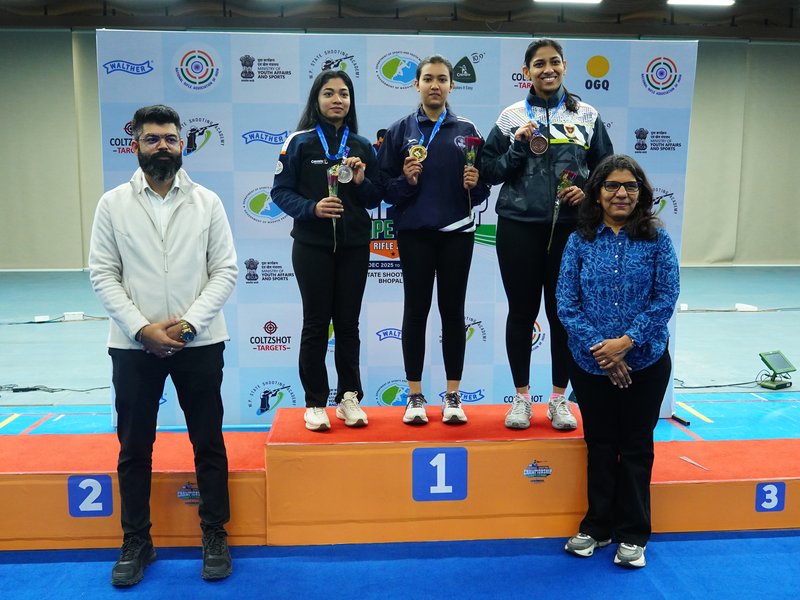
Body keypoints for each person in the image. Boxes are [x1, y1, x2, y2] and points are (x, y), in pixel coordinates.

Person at [88, 105, 238, 586]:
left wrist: (189, 327)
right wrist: (142, 330)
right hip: (134, 346)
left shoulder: (207, 202)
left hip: (201, 342)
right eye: (152, 139)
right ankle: (137, 540)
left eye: (170, 139)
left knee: (208, 441)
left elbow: (225, 271)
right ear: (136, 145)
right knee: (134, 447)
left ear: (182, 145)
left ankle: (214, 533)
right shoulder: (112, 204)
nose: (162, 146)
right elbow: (102, 274)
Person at [480, 38, 613, 431]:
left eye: (554, 62)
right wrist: (517, 148)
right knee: (522, 313)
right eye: (539, 64)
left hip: (571, 229)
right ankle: (521, 399)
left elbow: (608, 170)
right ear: (527, 72)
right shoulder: (511, 116)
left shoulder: (587, 114)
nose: (548, 69)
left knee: (562, 315)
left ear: (565, 66)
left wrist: (587, 191)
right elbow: (488, 171)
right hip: (518, 227)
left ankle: (558, 400)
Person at [557, 154, 680, 568]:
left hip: (646, 362)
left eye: (630, 186)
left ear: (641, 193)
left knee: (636, 447)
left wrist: (626, 343)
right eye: (612, 185)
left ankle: (633, 533)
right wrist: (603, 350)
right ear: (597, 193)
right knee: (600, 445)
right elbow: (566, 303)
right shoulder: (579, 240)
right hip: (591, 364)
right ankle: (597, 527)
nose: (621, 193)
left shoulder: (657, 240)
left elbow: (666, 297)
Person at [378, 54, 490, 425]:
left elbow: (483, 189)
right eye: (428, 78)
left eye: (442, 79)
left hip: (457, 233)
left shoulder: (468, 130)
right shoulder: (400, 131)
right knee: (416, 311)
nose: (435, 85)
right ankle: (414, 396)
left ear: (451, 85)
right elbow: (385, 189)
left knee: (453, 312)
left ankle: (453, 396)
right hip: (415, 234)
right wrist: (406, 181)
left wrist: (477, 184)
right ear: (417, 85)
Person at [272, 70, 383, 432]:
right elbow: (280, 191)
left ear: (351, 101)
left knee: (348, 325)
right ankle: (315, 402)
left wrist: (362, 181)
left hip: (354, 246)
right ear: (316, 100)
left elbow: (374, 197)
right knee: (316, 323)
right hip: (312, 246)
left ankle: (349, 397)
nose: (337, 100)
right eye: (329, 93)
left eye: (344, 94)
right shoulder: (299, 142)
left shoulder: (362, 146)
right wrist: (312, 208)